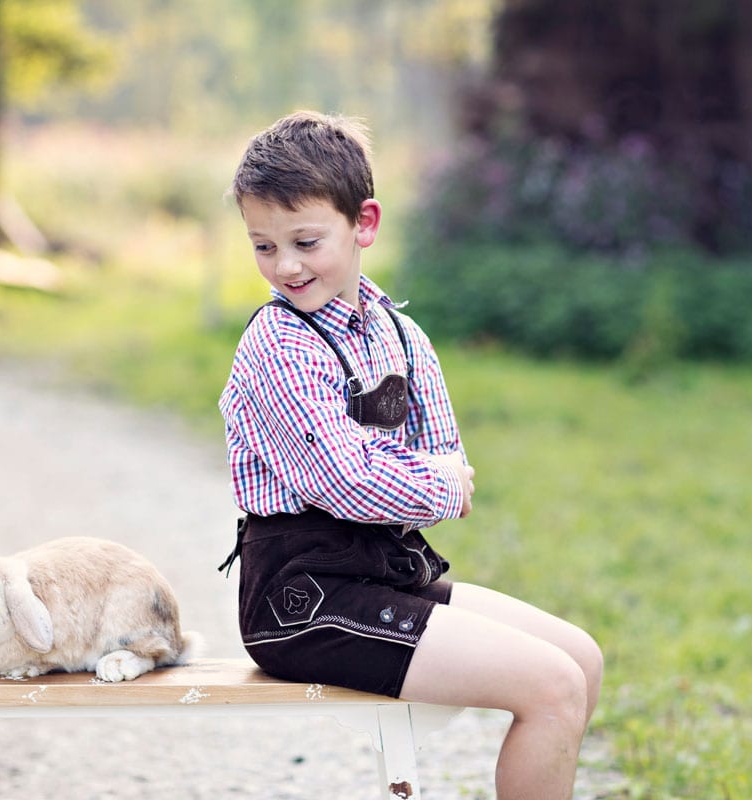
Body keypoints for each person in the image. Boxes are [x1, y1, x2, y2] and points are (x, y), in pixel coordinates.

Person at [217, 110, 602, 799]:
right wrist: (430, 482)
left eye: (306, 240)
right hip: (302, 597)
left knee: (581, 657)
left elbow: (449, 458)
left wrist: (415, 477)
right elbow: (352, 485)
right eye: (264, 247)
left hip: (388, 571)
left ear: (364, 223)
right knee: (552, 686)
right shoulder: (278, 345)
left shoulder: (401, 335)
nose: (287, 266)